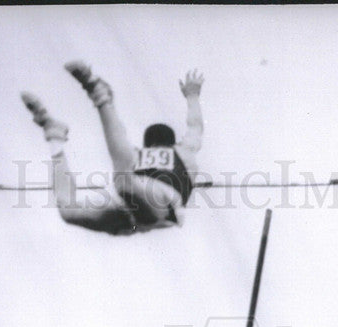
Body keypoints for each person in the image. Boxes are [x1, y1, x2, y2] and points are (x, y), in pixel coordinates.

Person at [20, 63, 204, 236]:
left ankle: (101, 97)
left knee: (125, 177)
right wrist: (192, 94)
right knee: (69, 212)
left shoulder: (181, 152)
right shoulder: (181, 151)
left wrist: (193, 95)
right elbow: (195, 126)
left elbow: (195, 127)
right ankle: (54, 136)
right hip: (133, 215)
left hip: (162, 206)